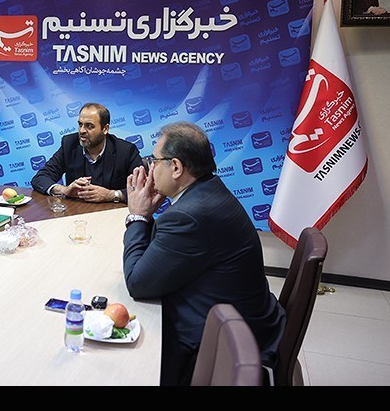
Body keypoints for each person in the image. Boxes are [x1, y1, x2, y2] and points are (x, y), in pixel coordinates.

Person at [122, 121, 285, 386]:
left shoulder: (189, 215)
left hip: (225, 339)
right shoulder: (207, 190)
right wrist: (146, 217)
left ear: (176, 167)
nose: (150, 168)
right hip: (250, 317)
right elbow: (160, 253)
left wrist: (137, 217)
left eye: (154, 161)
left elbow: (138, 283)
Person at [31, 102, 142, 203]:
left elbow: (143, 189)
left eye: (89, 126)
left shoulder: (125, 151)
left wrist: (112, 195)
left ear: (105, 129)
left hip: (114, 212)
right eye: (80, 124)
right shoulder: (69, 145)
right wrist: (64, 190)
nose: (82, 131)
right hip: (78, 213)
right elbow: (40, 178)